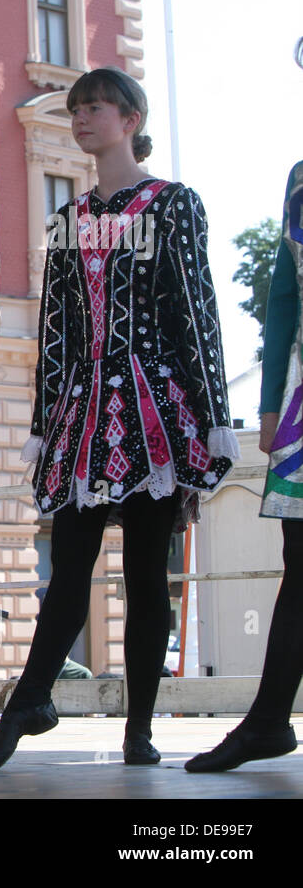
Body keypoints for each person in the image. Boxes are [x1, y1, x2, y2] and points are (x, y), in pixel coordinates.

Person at [0, 67, 237, 771]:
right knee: (69, 564)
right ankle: (35, 694)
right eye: (77, 109)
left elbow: (195, 310)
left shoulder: (172, 204)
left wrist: (214, 415)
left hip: (155, 405)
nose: (83, 119)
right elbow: (57, 329)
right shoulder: (67, 220)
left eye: (95, 107)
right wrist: (44, 421)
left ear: (130, 119)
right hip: (86, 413)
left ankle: (141, 727)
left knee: (148, 574)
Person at [186, 154, 303, 772]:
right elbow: (283, 294)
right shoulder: (301, 177)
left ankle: (266, 721)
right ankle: (267, 721)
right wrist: (268, 402)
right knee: (301, 559)